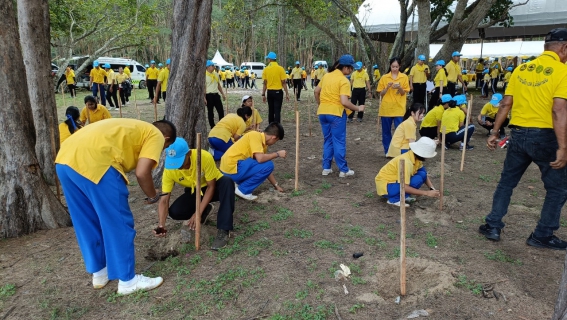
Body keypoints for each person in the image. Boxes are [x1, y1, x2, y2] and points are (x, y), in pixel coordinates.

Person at [55, 118, 177, 295]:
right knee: (118, 222)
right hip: (97, 162)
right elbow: (142, 172)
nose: (160, 152)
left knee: (87, 221)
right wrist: (152, 195)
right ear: (166, 139)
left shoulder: (132, 126)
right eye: (164, 149)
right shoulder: (156, 135)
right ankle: (128, 281)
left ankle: (99, 272)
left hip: (64, 160)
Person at [480, 28, 567, 249]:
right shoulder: (562, 72)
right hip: (546, 137)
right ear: (564, 48)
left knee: (507, 182)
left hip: (518, 135)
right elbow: (558, 111)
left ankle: (492, 225)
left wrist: (495, 132)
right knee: (557, 188)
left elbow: (505, 104)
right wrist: (563, 147)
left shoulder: (521, 70)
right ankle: (543, 234)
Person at [158, 137, 235, 250]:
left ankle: (223, 230)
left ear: (188, 153)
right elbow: (164, 199)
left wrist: (197, 213)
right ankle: (205, 209)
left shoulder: (203, 156)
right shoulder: (170, 169)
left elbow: (211, 187)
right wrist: (161, 225)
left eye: (180, 161)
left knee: (227, 182)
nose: (177, 166)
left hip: (214, 187)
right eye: (174, 162)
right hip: (195, 191)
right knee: (175, 212)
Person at [315, 54, 363, 178]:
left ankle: (326, 168)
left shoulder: (326, 76)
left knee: (328, 140)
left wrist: (321, 104)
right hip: (336, 114)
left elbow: (316, 91)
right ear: (345, 68)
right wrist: (358, 108)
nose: (351, 71)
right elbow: (344, 102)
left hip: (323, 113)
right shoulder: (344, 80)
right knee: (339, 141)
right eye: (351, 68)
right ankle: (343, 170)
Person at [220, 122, 286, 200]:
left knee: (267, 164)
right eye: (276, 141)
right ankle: (243, 190)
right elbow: (261, 159)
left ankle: (236, 184)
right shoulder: (255, 135)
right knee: (269, 164)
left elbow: (264, 168)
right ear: (274, 137)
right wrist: (277, 154)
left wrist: (276, 185)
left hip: (230, 170)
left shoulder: (262, 144)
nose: (274, 143)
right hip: (231, 169)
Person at [375, 137, 440, 207]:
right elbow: (404, 187)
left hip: (395, 183)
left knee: (422, 174)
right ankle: (394, 199)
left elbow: (424, 174)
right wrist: (427, 193)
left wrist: (432, 188)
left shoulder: (415, 157)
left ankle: (402, 196)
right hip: (387, 186)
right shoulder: (406, 163)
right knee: (417, 180)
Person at [377, 57, 411, 155]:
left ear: (399, 66)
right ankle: (388, 151)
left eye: (396, 66)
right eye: (393, 66)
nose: (394, 68)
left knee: (399, 130)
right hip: (386, 109)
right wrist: (387, 87)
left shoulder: (404, 77)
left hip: (399, 108)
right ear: (390, 66)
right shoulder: (384, 77)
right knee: (386, 132)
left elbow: (403, 93)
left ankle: (399, 150)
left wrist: (399, 87)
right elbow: (381, 93)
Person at [262, 52, 289, 124]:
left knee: (271, 110)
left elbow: (265, 83)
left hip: (270, 92)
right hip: (278, 92)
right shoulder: (280, 69)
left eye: (268, 58)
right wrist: (287, 93)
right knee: (277, 110)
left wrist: (263, 94)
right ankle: (277, 127)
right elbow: (283, 82)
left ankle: (270, 126)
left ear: (270, 59)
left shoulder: (266, 69)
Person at [205, 60, 227, 128]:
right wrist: (204, 98)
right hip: (209, 95)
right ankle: (212, 126)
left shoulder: (216, 74)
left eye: (214, 65)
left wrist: (222, 94)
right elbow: (203, 87)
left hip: (216, 95)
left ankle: (221, 125)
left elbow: (218, 85)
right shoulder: (204, 75)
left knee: (221, 111)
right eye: (212, 66)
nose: (214, 67)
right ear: (208, 67)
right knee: (210, 112)